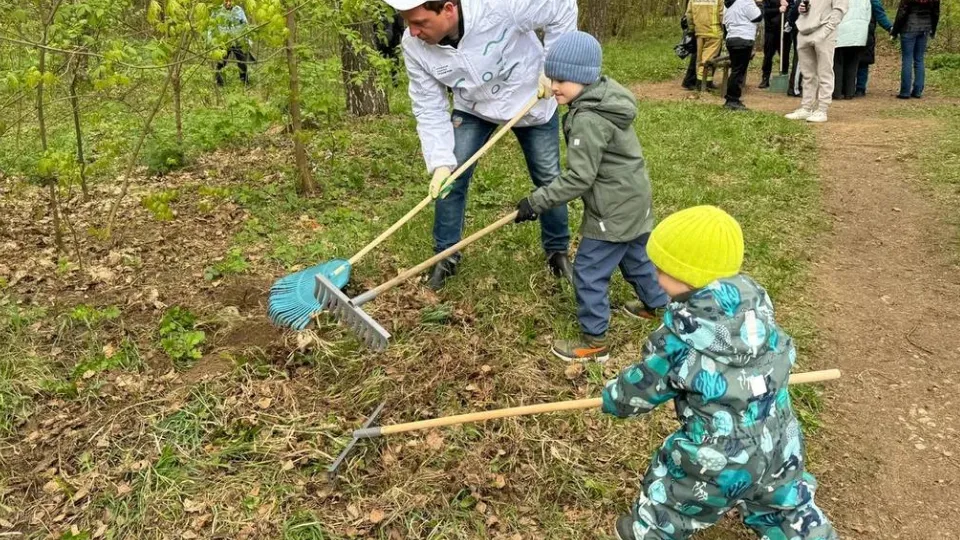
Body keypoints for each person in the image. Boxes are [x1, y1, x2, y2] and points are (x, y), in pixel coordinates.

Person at [603, 206, 838, 540]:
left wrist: (614, 399)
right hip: (778, 444)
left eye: (660, 268)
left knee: (672, 499)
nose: (653, 273)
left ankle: (649, 533)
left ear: (684, 276)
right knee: (786, 508)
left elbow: (643, 386)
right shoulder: (758, 313)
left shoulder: (679, 340)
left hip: (716, 457)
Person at [384, 0, 577, 290]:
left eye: (421, 23)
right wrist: (439, 162)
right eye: (407, 23)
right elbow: (428, 105)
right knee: (452, 178)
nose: (413, 32)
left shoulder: (498, 6)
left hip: (530, 98)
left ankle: (557, 251)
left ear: (448, 10)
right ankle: (446, 256)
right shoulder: (414, 46)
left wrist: (553, 70)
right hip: (473, 107)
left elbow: (561, 6)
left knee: (548, 178)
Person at [513, 31, 668, 362]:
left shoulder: (588, 119)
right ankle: (660, 307)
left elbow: (579, 178)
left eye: (563, 79)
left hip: (611, 210)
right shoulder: (604, 98)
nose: (554, 86)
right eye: (552, 76)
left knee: (588, 271)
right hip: (634, 200)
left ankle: (594, 341)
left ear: (584, 77)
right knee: (636, 257)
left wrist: (536, 202)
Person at [785, 0, 849, 123]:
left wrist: (826, 30)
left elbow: (839, 10)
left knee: (825, 72)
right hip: (804, 31)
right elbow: (804, 7)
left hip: (824, 32)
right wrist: (801, 9)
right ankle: (806, 107)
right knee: (808, 74)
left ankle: (822, 109)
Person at [891, 0, 941, 99]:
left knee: (907, 59)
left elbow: (902, 12)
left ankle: (905, 92)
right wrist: (933, 30)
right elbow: (935, 12)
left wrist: (895, 31)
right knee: (919, 59)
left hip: (908, 28)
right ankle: (918, 91)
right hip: (924, 28)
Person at [723, 0, 763, 110]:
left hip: (731, 38)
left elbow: (724, 24)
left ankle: (731, 98)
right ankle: (732, 99)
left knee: (736, 70)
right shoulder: (746, 1)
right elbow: (758, 17)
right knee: (738, 71)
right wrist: (760, 5)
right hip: (744, 39)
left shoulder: (727, 4)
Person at [832, 0, 871, 100]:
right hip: (859, 32)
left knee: (838, 62)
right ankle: (849, 92)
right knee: (852, 63)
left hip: (841, 31)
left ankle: (837, 91)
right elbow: (868, 14)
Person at [855, 0, 893, 97]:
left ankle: (847, 88)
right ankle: (860, 88)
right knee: (863, 62)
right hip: (866, 31)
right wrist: (890, 28)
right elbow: (880, 14)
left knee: (850, 60)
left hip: (850, 31)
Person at [686, 0, 726, 91]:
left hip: (699, 32)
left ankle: (705, 82)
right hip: (714, 33)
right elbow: (722, 15)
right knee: (708, 60)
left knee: (700, 59)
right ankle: (702, 84)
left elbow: (689, 15)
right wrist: (724, 30)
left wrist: (692, 29)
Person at [212, 0, 251, 86]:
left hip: (237, 40)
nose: (228, 3)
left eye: (230, 1)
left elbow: (245, 24)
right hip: (224, 42)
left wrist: (247, 40)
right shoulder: (217, 11)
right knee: (221, 62)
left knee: (242, 62)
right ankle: (219, 83)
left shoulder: (238, 10)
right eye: (226, 1)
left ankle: (245, 82)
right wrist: (212, 40)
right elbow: (211, 26)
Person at [760, 0, 789, 88]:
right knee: (768, 56)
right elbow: (765, 11)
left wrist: (787, 7)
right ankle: (765, 78)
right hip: (771, 31)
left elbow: (794, 9)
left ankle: (784, 76)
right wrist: (778, 9)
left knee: (784, 55)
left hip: (785, 31)